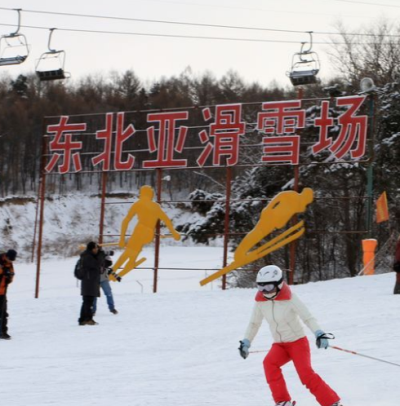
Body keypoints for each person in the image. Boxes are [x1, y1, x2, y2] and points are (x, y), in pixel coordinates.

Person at [239, 265, 343, 406]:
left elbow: (307, 317)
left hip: (297, 342)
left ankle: (332, 402)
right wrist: (246, 342)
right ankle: (283, 402)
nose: (264, 291)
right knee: (269, 364)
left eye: (268, 287)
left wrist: (319, 334)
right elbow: (254, 323)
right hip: (279, 345)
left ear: (279, 284)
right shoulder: (261, 302)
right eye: (260, 287)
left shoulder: (290, 298)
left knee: (306, 375)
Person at [78, 241, 101, 326]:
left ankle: (82, 319)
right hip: (89, 282)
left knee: (86, 301)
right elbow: (96, 265)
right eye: (96, 248)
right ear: (92, 249)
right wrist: (99, 256)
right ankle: (88, 319)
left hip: (88, 282)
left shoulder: (86, 256)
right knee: (88, 301)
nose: (97, 249)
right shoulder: (89, 257)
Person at [93, 250, 118, 316]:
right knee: (94, 295)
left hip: (104, 279)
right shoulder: (92, 257)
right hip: (95, 279)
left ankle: (112, 308)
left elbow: (110, 263)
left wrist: (108, 255)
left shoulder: (104, 257)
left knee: (108, 293)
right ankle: (93, 310)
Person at [0, 249, 17, 340]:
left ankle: (3, 331)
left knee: (3, 312)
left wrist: (9, 277)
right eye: (10, 259)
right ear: (6, 256)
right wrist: (3, 272)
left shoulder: (9, 264)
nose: (11, 261)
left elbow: (11, 276)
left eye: (12, 260)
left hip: (2, 292)